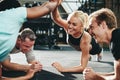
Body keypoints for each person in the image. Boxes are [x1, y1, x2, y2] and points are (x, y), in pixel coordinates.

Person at [0, 0, 62, 79]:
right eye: (26, 46)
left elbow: (30, 60)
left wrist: (34, 65)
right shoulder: (6, 41)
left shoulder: (16, 38)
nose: (28, 48)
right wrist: (28, 74)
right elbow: (46, 7)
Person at [51, 7, 102, 73]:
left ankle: (99, 52)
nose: (70, 26)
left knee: (92, 49)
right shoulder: (67, 26)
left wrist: (63, 69)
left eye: (74, 24)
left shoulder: (85, 39)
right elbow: (57, 18)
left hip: (93, 47)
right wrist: (55, 5)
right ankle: (87, 54)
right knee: (85, 50)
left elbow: (83, 67)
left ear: (81, 27)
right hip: (79, 46)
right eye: (69, 22)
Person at [83, 8, 120, 80]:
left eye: (92, 27)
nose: (90, 32)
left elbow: (118, 78)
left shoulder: (117, 40)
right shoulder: (116, 36)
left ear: (103, 25)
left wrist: (95, 77)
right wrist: (97, 74)